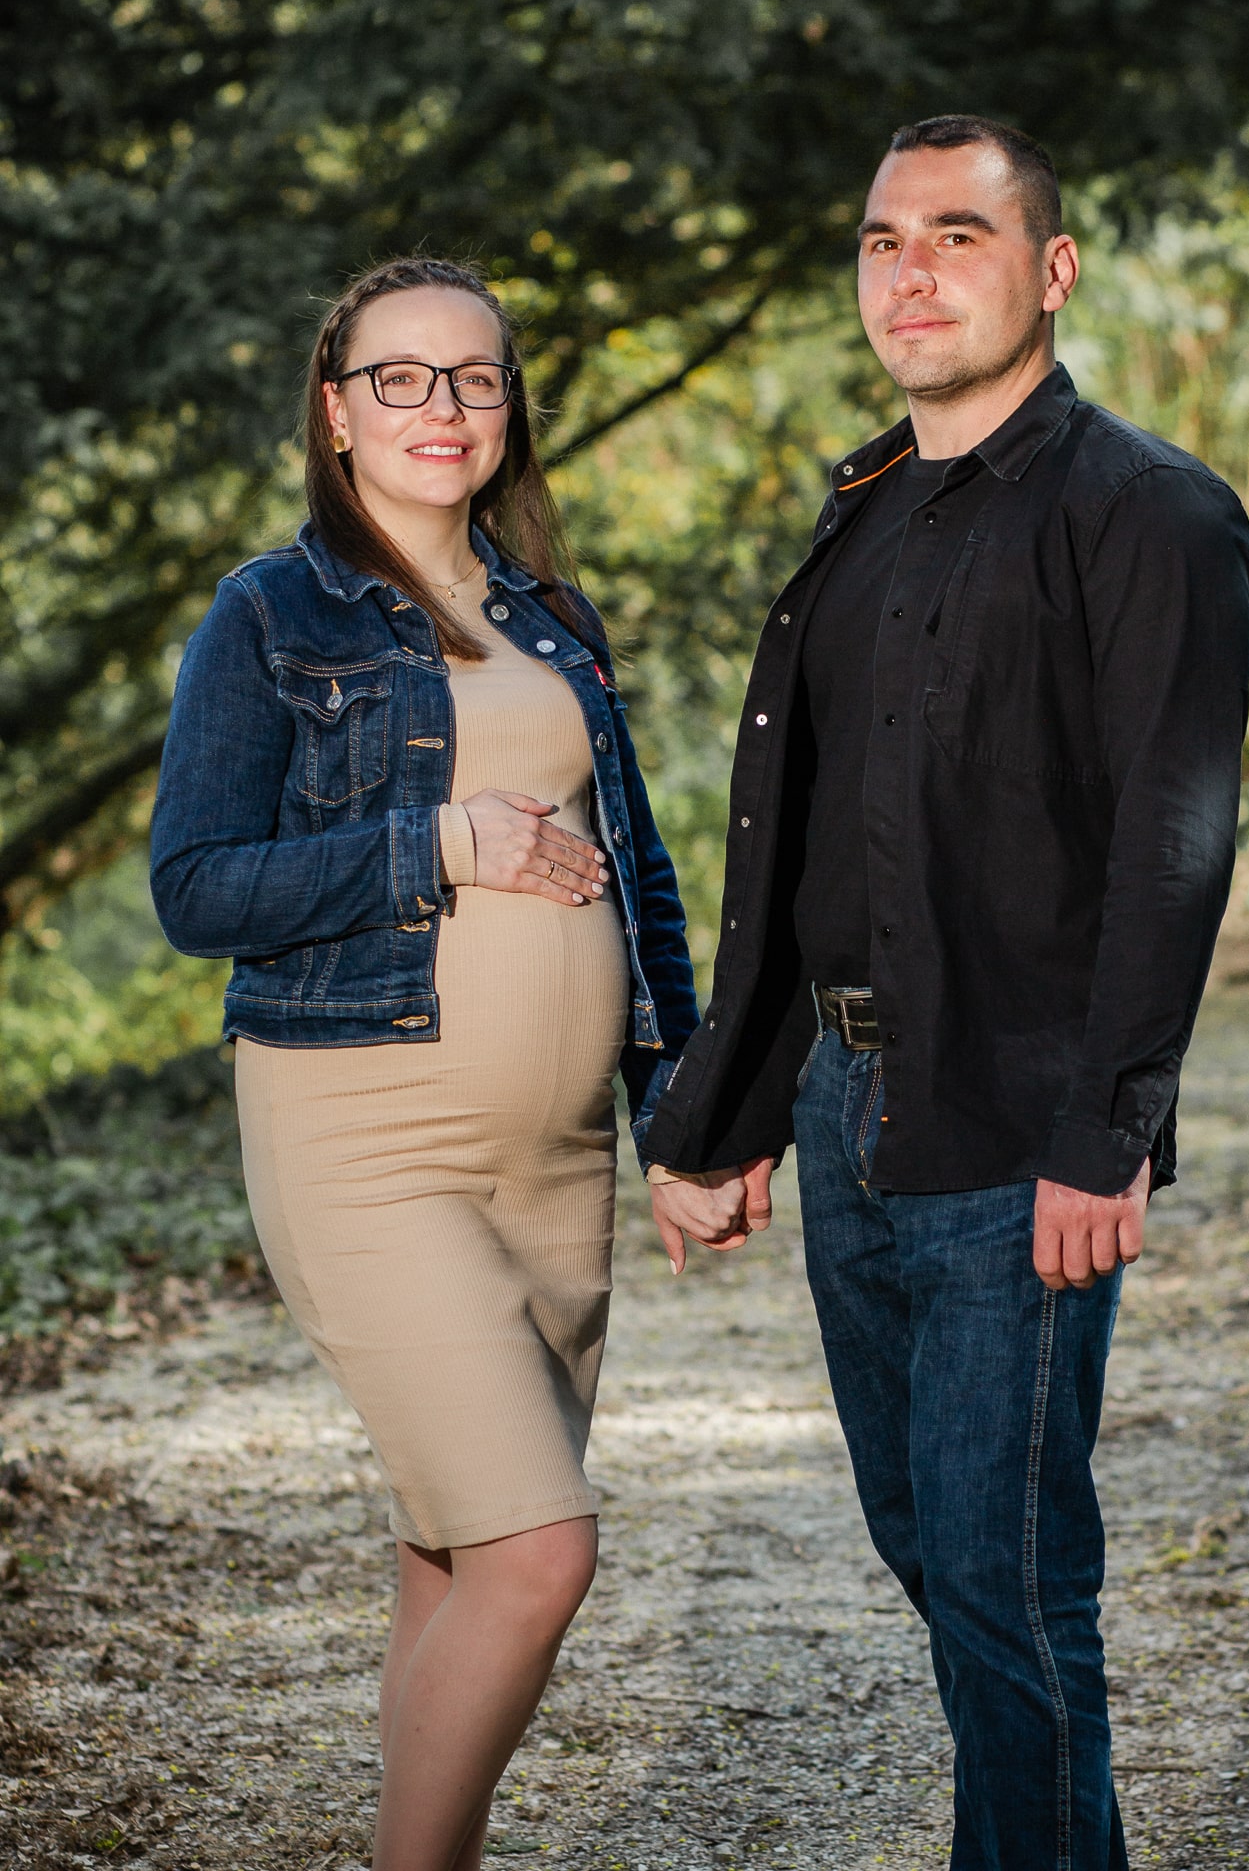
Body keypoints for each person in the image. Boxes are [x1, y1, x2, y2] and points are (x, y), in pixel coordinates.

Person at [644, 115, 1249, 1870]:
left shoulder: (1145, 509)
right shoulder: (862, 516)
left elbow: (1170, 844)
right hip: (848, 1106)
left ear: (1049, 271)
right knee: (928, 1540)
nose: (908, 272)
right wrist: (726, 1109)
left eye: (956, 236)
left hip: (1019, 1117)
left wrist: (1107, 1132)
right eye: (881, 240)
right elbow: (805, 851)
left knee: (1004, 1575)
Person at [150, 255, 699, 1871]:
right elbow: (197, 888)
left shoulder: (549, 618)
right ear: (336, 412)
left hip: (553, 1169)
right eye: (399, 377)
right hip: (364, 1137)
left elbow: (641, 881)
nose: (440, 406)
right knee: (538, 1554)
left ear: (509, 407)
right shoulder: (271, 613)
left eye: (474, 377)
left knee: (455, 1554)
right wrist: (441, 842)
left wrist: (679, 1114)